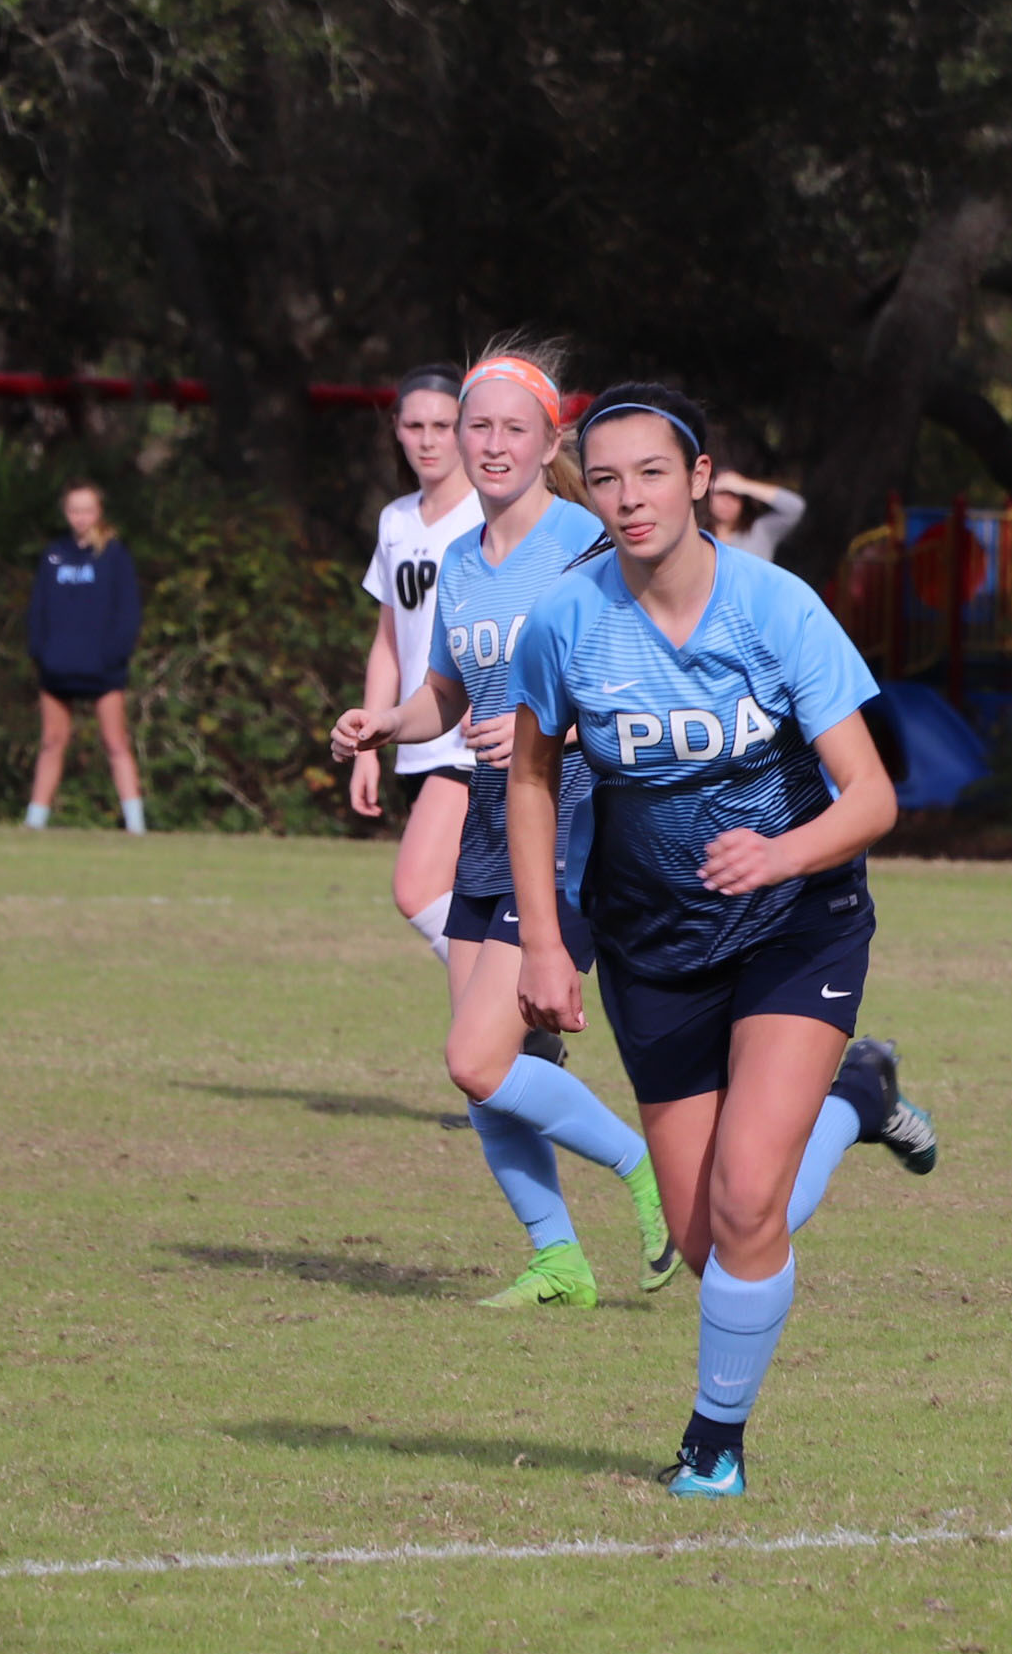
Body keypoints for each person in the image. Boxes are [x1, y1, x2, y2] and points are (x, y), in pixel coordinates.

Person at [507, 381, 939, 1499]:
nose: (627, 496)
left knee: (750, 1198)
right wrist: (545, 944)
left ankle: (712, 1445)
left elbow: (870, 795)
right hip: (652, 942)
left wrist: (781, 853)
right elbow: (529, 779)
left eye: (651, 471)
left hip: (797, 924)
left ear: (700, 478)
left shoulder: (776, 607)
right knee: (709, 1241)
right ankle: (857, 1097)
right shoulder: (565, 619)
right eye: (602, 478)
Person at [330, 347, 676, 1310]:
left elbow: (637, 673)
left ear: (548, 442)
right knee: (484, 1070)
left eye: (509, 429)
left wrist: (545, 726)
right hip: (493, 818)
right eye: (474, 426)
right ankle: (558, 1258)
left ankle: (642, 1165)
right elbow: (445, 688)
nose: (488, 444)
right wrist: (388, 722)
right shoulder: (453, 557)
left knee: (475, 1059)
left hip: (571, 824)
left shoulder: (587, 542)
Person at [351, 364, 482, 967]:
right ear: (397, 433)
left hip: (473, 739)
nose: (428, 439)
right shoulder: (396, 520)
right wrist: (370, 738)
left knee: (417, 888)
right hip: (420, 734)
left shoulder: (490, 516)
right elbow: (389, 641)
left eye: (443, 425)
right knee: (467, 901)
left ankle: (511, 1007)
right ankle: (515, 1024)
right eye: (415, 426)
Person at [24, 481, 148, 834]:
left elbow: (127, 614)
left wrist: (113, 656)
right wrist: (41, 653)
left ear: (99, 513)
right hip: (58, 667)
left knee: (115, 742)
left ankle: (135, 823)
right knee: (52, 742)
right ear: (66, 513)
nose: (81, 517)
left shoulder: (115, 555)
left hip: (102, 668)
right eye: (74, 510)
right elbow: (38, 611)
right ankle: (35, 821)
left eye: (87, 510)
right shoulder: (53, 555)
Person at [706, 469, 805, 563]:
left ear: (743, 503)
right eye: (721, 493)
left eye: (735, 496)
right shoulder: (696, 534)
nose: (727, 502)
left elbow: (796, 508)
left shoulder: (761, 530)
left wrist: (744, 485)